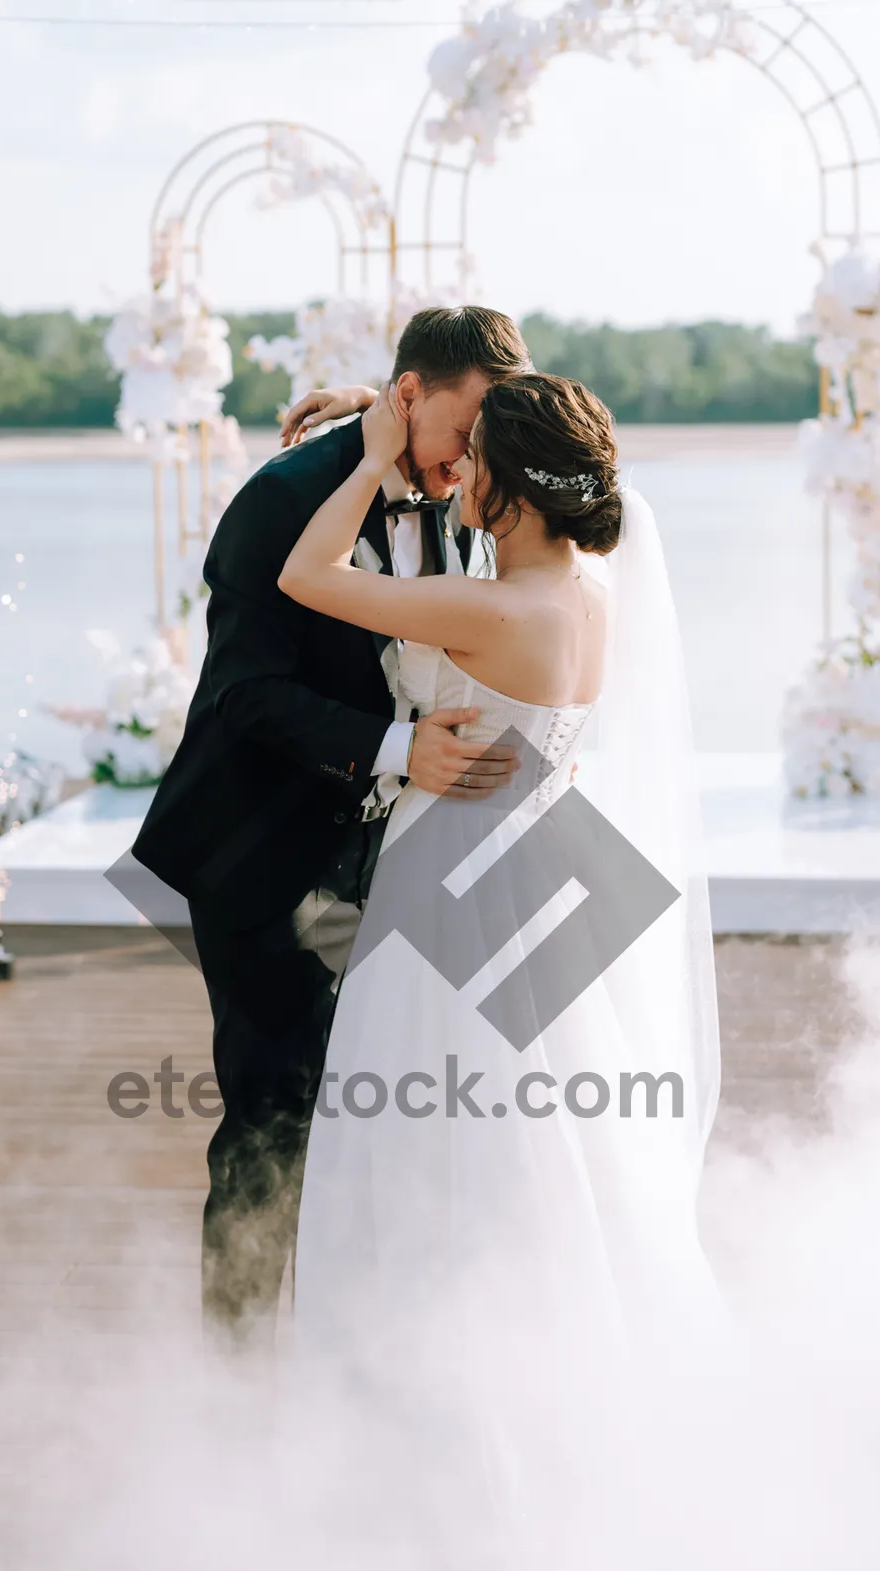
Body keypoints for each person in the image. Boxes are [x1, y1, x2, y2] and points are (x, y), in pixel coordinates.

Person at [279, 373, 730, 1496]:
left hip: (453, 894)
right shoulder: (588, 591)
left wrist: (376, 452)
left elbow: (305, 577)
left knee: (437, 1150)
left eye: (472, 460)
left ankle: (449, 1452)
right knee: (551, 1142)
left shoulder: (493, 610)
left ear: (516, 497)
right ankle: (561, 1412)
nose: (458, 472)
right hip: (537, 876)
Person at [130, 307, 532, 1350]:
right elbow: (241, 697)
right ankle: (240, 1378)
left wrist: (397, 427)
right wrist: (400, 748)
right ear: (409, 397)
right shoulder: (280, 500)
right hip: (258, 855)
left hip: (387, 861)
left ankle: (360, 1361)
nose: (472, 461)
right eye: (463, 430)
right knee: (274, 1126)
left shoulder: (466, 477)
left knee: (408, 1112)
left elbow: (575, 459)